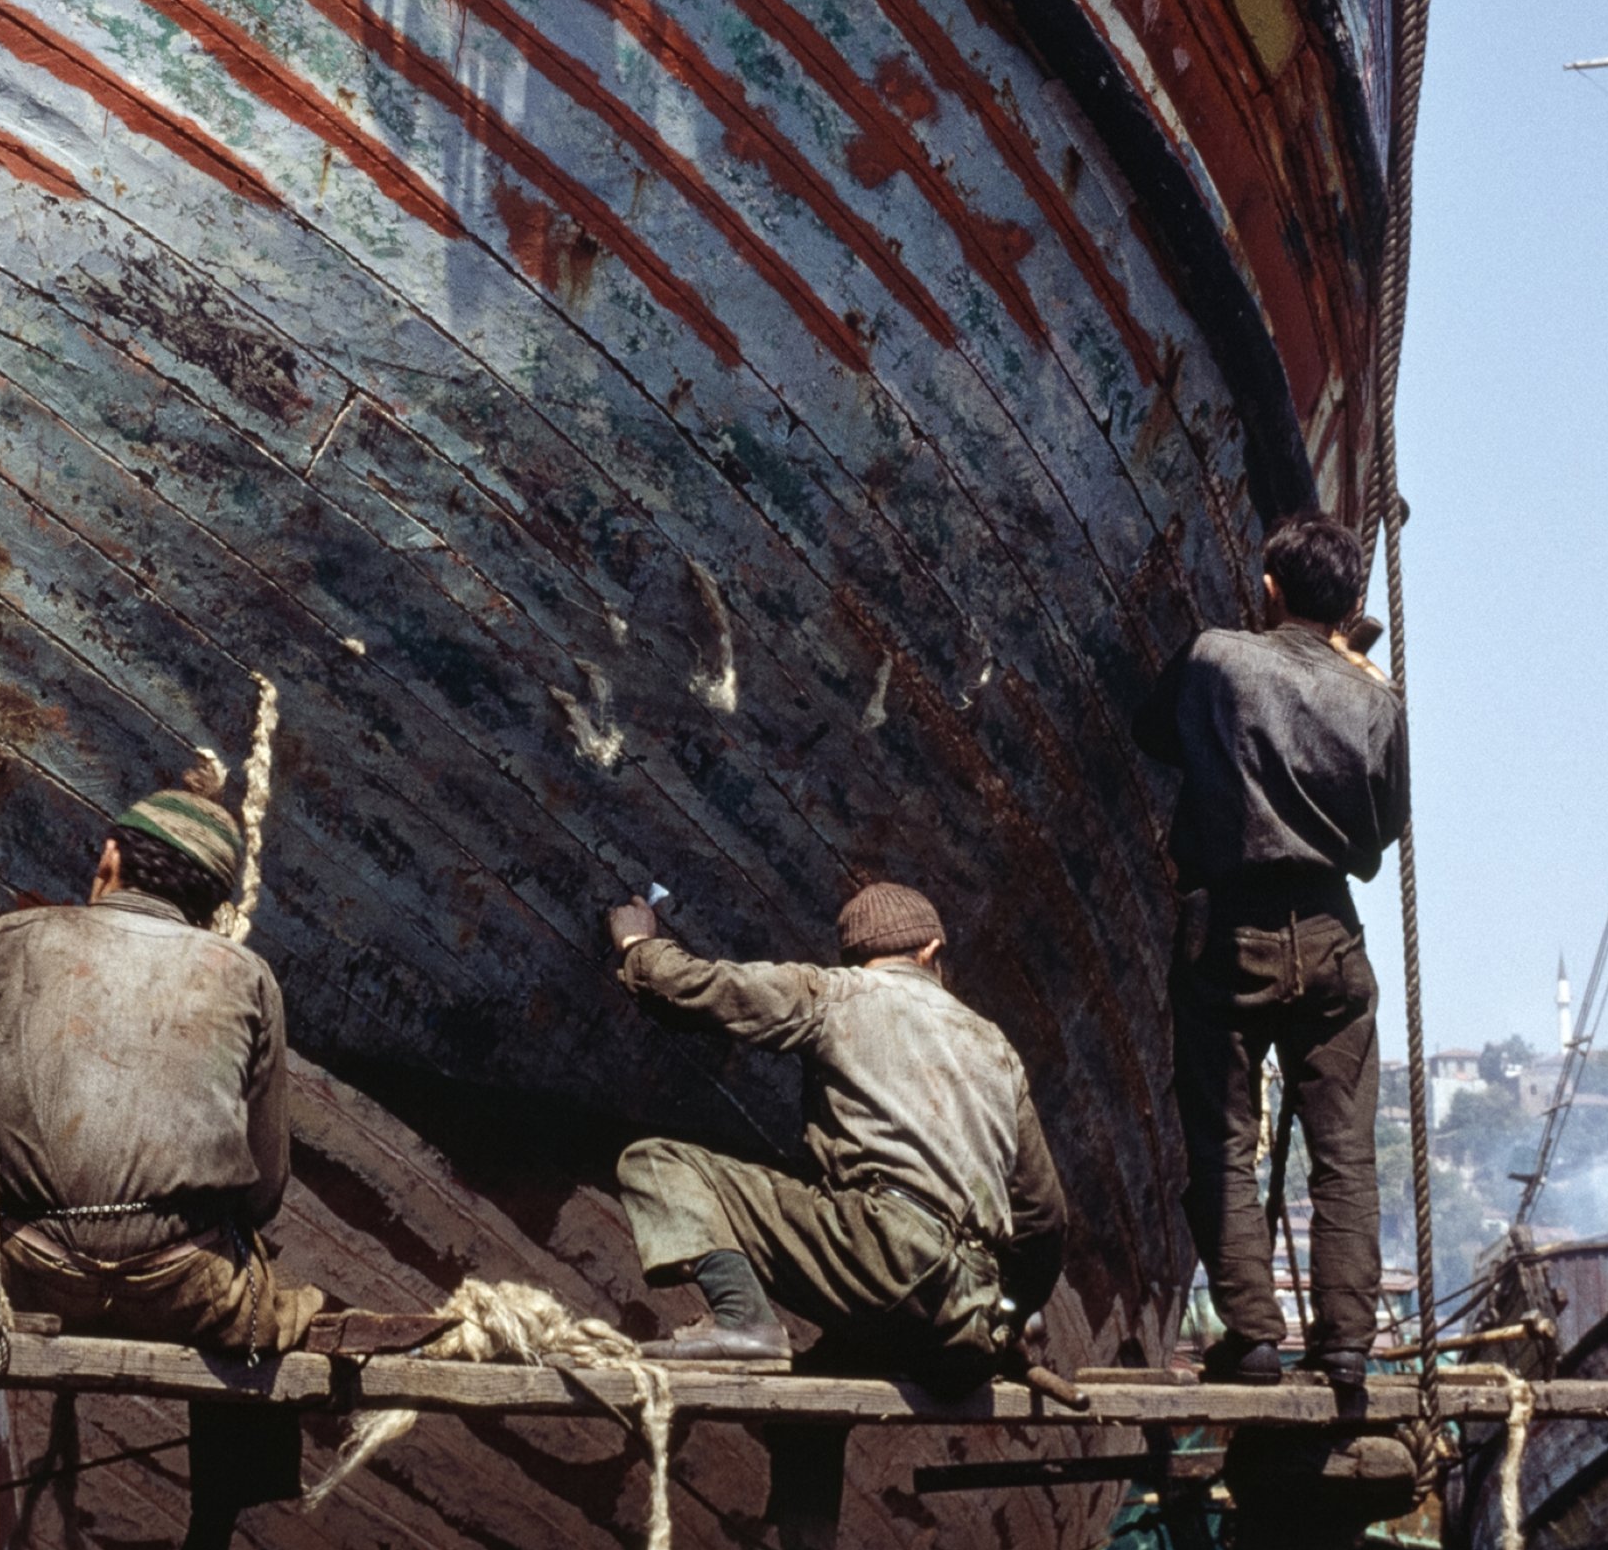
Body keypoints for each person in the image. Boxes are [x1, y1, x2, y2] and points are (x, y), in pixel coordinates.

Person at [0, 770, 322, 1359]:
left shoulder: (10, 939)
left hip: (26, 1275)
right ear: (210, 901)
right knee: (263, 1328)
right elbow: (263, 1196)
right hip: (183, 1288)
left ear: (111, 856)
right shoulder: (250, 977)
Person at [1133, 509, 1407, 1391]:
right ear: (1353, 603)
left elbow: (1151, 730)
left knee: (1222, 1141)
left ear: (1269, 589)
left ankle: (1250, 1333)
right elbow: (1387, 825)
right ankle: (1347, 1348)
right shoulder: (1376, 697)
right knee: (1345, 1156)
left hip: (1231, 928)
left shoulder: (1217, 657)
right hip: (1332, 933)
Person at [602, 878, 1068, 1383]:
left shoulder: (837, 994)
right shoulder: (996, 1047)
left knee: (657, 1162)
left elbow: (694, 987)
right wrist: (1010, 1318)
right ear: (932, 949)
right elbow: (1044, 1219)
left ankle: (744, 1322)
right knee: (815, 1395)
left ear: (851, 957)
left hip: (885, 1268)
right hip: (966, 1327)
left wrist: (637, 945)